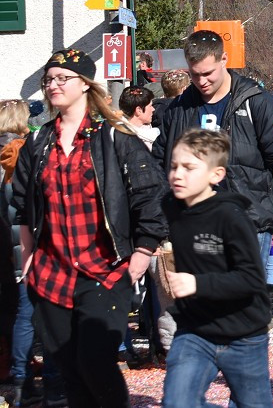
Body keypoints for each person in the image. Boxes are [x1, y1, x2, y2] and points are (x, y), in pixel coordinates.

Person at [12, 49, 168, 408]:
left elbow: (150, 195)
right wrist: (28, 263)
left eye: (61, 78)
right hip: (51, 275)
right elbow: (23, 207)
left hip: (105, 272)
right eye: (48, 79)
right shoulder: (37, 143)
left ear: (84, 85)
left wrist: (142, 252)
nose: (53, 85)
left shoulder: (112, 137)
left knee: (95, 362)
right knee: (69, 371)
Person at [153, 30, 273, 317]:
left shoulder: (256, 102)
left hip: (248, 223)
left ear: (224, 59)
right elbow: (161, 164)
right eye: (194, 75)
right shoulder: (179, 109)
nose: (201, 81)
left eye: (208, 73)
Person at [161, 129, 273, 408]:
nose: (177, 174)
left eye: (189, 168)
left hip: (244, 335)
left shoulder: (231, 217)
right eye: (174, 166)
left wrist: (198, 284)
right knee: (177, 403)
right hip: (195, 330)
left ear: (216, 175)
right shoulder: (171, 206)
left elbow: (252, 279)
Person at [1, 99, 63, 408]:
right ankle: (26, 379)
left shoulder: (6, 153)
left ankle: (21, 376)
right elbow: (22, 209)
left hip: (9, 249)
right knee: (31, 315)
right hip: (26, 250)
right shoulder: (20, 153)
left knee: (17, 315)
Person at [119, 85, 159, 149]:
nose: (153, 109)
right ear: (139, 110)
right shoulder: (119, 138)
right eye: (150, 106)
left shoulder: (151, 133)